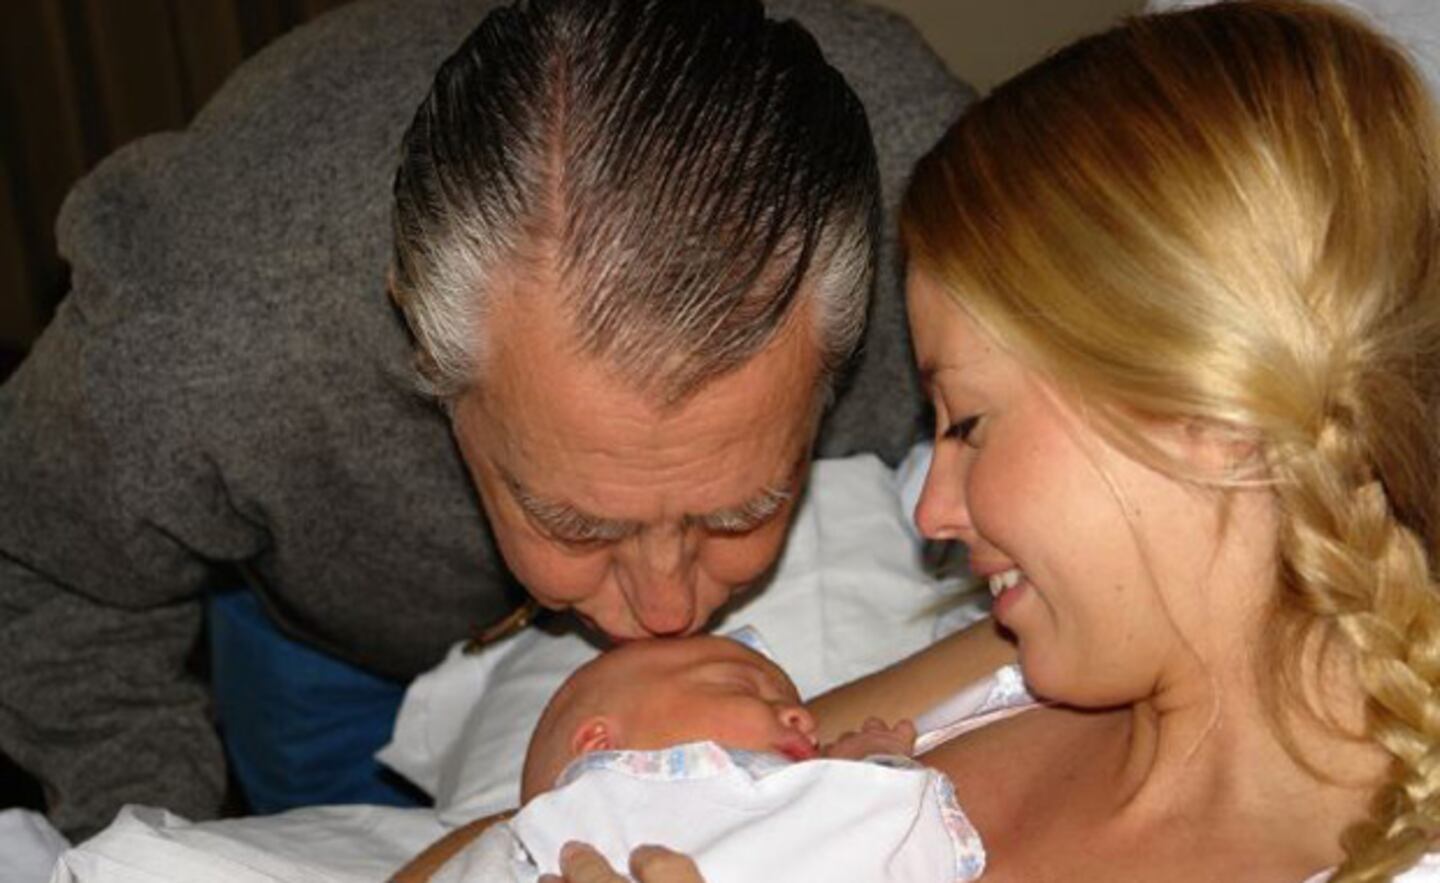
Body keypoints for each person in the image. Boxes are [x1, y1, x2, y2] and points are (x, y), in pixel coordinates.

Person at [0, 0, 969, 840]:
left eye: (738, 509)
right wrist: (147, 824)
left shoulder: (945, 209)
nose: (668, 612)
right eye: (577, 522)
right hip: (337, 641)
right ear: (418, 335)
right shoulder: (203, 344)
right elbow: (52, 573)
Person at [547, 1, 1440, 881]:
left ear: (1210, 420)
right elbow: (531, 826)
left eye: (967, 422)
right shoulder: (1015, 662)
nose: (933, 512)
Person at [394, 634, 972, 882]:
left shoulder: (783, 797)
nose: (804, 718)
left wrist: (870, 771)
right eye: (745, 688)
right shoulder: (521, 842)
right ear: (599, 745)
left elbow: (873, 841)